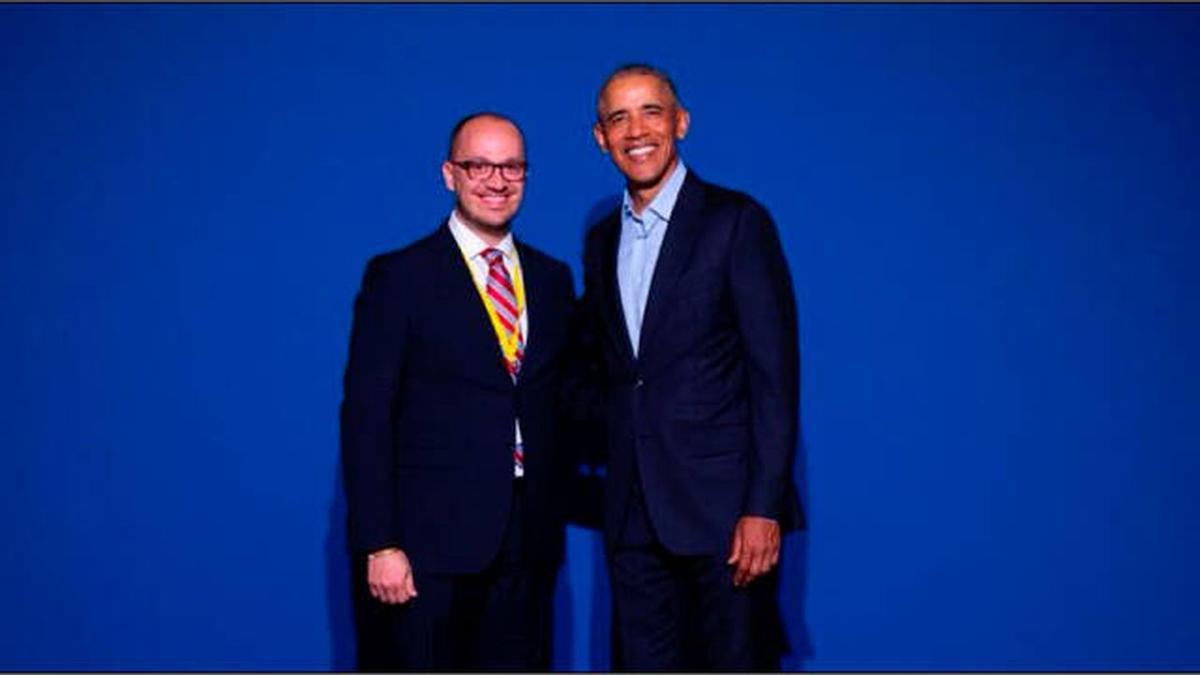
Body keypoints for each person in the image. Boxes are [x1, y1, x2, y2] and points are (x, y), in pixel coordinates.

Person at [579, 64, 806, 671]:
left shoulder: (736, 222)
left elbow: (774, 377)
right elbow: (611, 371)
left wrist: (764, 507)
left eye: (651, 112)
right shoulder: (601, 240)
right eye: (618, 118)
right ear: (600, 137)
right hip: (632, 516)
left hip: (725, 517)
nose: (636, 131)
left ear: (680, 122)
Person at [339, 112, 576, 671]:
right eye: (479, 166)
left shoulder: (552, 279)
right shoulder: (399, 277)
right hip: (427, 547)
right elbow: (367, 417)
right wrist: (380, 543)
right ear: (450, 174)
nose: (497, 180)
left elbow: (566, 401)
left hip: (528, 539)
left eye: (512, 167)